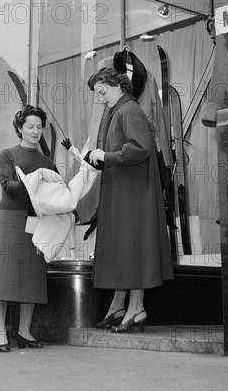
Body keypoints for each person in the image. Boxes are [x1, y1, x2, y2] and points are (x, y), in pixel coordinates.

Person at [87, 68, 173, 333]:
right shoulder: (120, 111)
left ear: (116, 84)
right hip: (126, 190)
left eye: (101, 91)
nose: (99, 97)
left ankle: (134, 308)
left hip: (132, 194)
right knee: (128, 248)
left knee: (132, 248)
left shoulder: (128, 110)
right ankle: (121, 305)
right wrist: (100, 158)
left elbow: (140, 148)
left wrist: (106, 156)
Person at [0, 105, 57, 352]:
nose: (35, 131)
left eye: (39, 127)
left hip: (37, 219)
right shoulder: (7, 154)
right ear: (19, 128)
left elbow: (57, 192)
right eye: (30, 126)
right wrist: (35, 181)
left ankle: (24, 331)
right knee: (4, 275)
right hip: (10, 218)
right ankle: (0, 332)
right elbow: (8, 186)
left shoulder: (46, 161)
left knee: (32, 274)